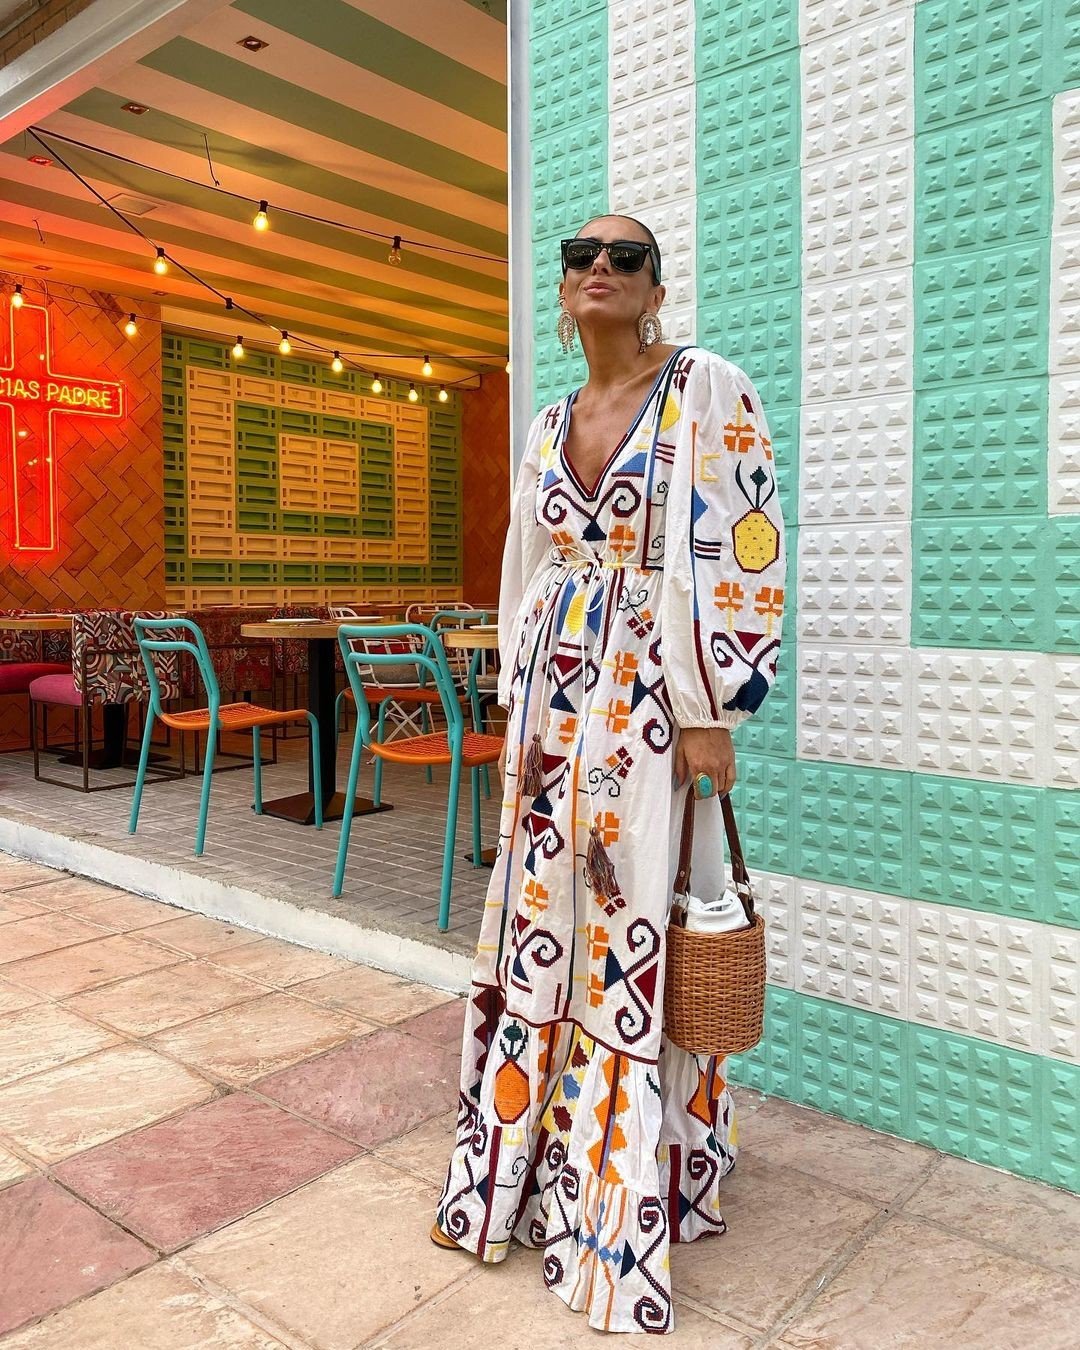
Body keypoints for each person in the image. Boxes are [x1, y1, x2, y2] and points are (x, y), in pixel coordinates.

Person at [433, 214, 786, 1335]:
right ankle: (529, 1176)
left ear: (655, 287)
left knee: (634, 927)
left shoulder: (703, 387)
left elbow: (743, 543)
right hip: (551, 710)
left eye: (625, 257)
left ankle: (635, 1197)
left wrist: (714, 707)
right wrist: (513, 695)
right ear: (563, 288)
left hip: (651, 703)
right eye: (581, 255)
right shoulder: (548, 423)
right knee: (541, 921)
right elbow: (525, 563)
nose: (599, 268)